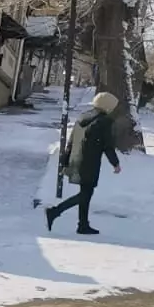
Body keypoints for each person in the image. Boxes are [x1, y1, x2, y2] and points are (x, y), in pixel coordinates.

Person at [46, 91, 122, 235]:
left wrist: (65, 161)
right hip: (89, 162)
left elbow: (71, 141)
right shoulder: (104, 122)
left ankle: (83, 225)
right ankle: (55, 211)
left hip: (77, 159)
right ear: (107, 106)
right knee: (85, 194)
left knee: (85, 192)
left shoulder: (83, 117)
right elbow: (107, 146)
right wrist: (115, 164)